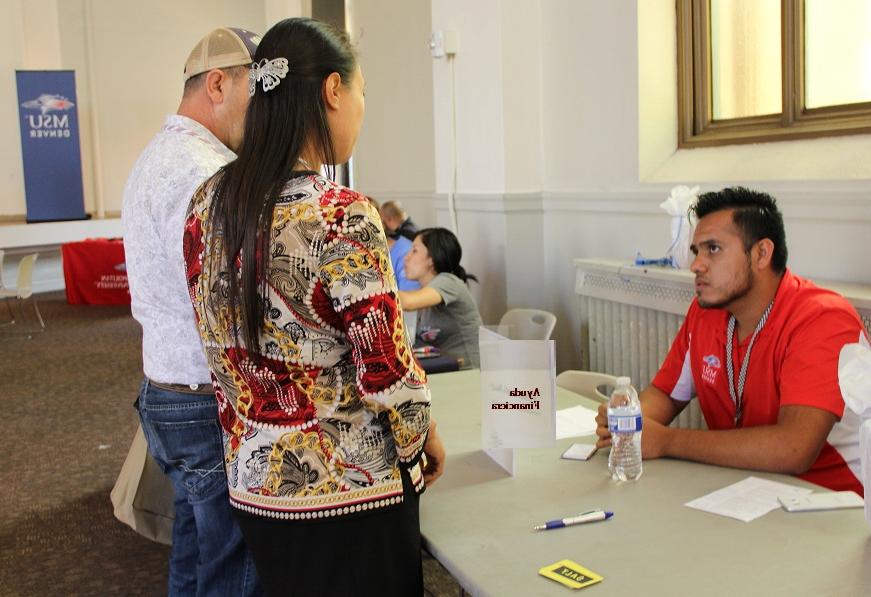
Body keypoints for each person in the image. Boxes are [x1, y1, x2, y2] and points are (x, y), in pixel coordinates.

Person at [183, 18, 445, 596]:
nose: (361, 109)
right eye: (362, 94)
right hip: (349, 495)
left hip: (255, 484)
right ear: (333, 91)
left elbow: (216, 341)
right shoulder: (341, 214)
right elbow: (387, 369)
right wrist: (421, 437)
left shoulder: (207, 205)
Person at [595, 187, 865, 495]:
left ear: (761, 253)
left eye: (713, 249)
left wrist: (666, 440)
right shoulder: (706, 312)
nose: (696, 265)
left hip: (835, 504)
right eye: (696, 251)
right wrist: (626, 417)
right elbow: (665, 395)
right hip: (744, 491)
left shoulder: (822, 319)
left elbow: (794, 448)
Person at [121, 27, 262, 595]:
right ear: (219, 84)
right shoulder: (204, 171)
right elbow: (224, 297)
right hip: (205, 399)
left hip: (168, 387)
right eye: (259, 99)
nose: (264, 120)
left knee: (195, 548)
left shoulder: (161, 155)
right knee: (235, 565)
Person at [399, 227, 484, 368]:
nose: (406, 257)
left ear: (431, 259)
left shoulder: (448, 281)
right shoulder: (426, 290)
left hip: (467, 374)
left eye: (414, 251)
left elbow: (406, 302)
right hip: (443, 369)